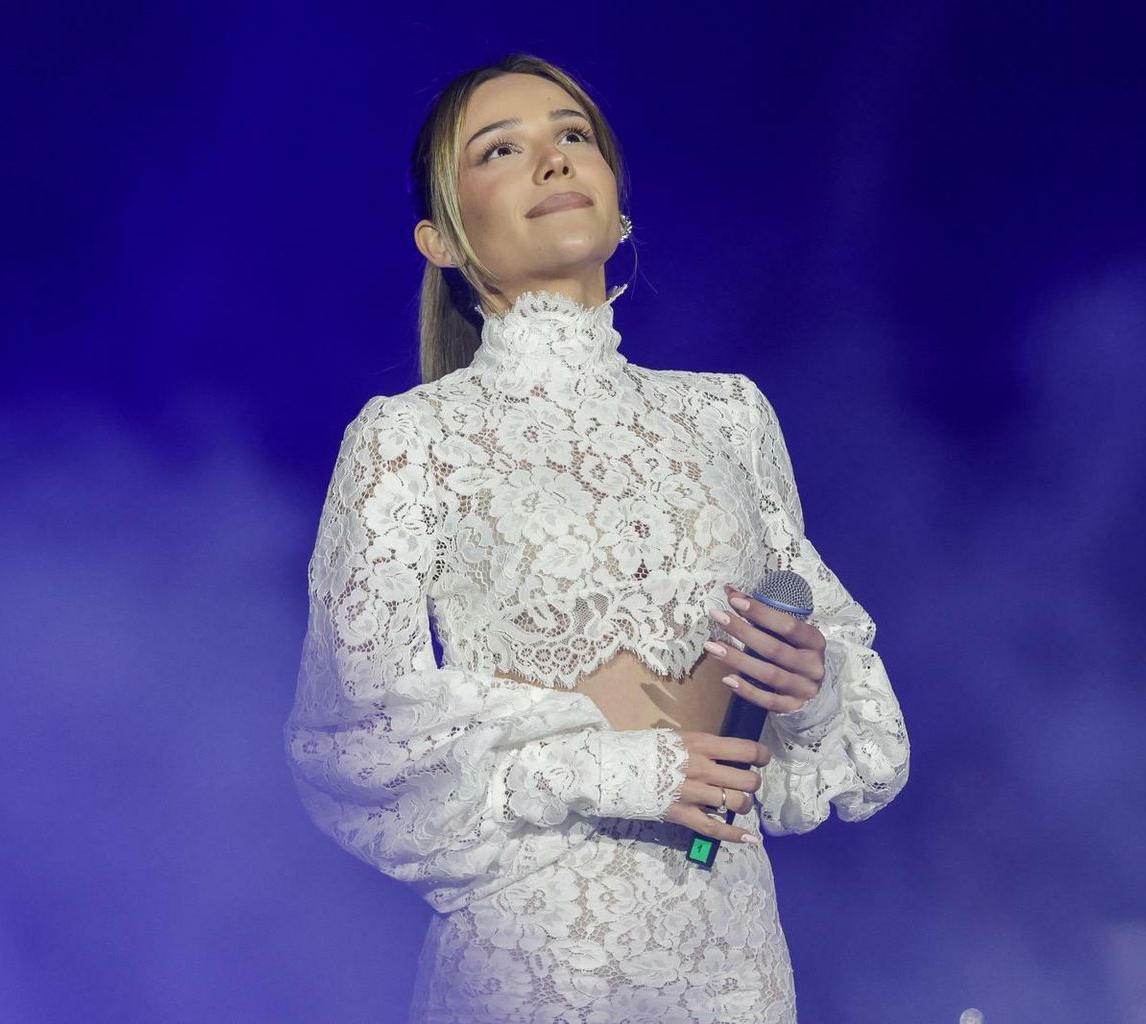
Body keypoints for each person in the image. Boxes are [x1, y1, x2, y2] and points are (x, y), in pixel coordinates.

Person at [282, 54, 911, 1024]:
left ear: (619, 213)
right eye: (501, 150)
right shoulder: (408, 441)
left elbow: (851, 720)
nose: (552, 159)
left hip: (732, 958)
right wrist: (615, 768)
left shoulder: (728, 415)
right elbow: (353, 736)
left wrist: (813, 686)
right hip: (536, 958)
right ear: (442, 239)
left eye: (573, 135)